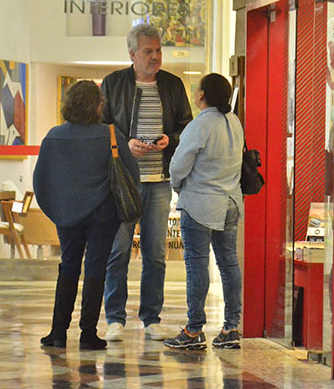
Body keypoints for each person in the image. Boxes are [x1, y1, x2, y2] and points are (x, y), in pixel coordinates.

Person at [102, 24, 193, 341]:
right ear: (132, 54)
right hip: (124, 180)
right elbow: (102, 127)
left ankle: (151, 318)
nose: (155, 57)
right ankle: (114, 318)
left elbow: (187, 126)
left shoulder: (172, 85)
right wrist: (125, 144)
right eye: (148, 51)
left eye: (158, 50)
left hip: (159, 180)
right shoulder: (113, 84)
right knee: (118, 251)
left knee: (155, 252)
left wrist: (173, 138)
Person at [34, 80, 139, 350]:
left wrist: (57, 209)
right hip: (104, 215)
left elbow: (41, 180)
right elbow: (131, 175)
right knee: (95, 268)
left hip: (67, 215)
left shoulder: (54, 136)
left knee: (68, 266)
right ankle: (88, 333)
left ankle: (57, 332)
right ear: (97, 105)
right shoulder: (111, 135)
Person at [164, 73, 244, 350]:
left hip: (200, 204)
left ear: (201, 95)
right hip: (231, 202)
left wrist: (177, 186)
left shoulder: (200, 125)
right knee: (229, 263)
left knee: (196, 265)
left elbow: (178, 166)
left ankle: (194, 329)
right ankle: (231, 327)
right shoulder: (234, 122)